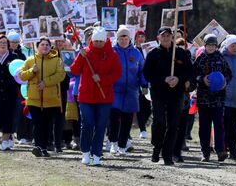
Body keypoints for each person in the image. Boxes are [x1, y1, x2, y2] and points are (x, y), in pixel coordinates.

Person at [71, 27, 121, 166]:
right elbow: (74, 70)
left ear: (105, 40)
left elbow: (116, 74)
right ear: (92, 39)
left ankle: (97, 153)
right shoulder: (85, 52)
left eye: (101, 40)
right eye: (96, 40)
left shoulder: (112, 54)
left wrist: (102, 79)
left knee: (100, 125)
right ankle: (85, 151)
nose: (99, 43)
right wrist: (80, 56)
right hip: (86, 96)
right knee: (87, 124)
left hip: (104, 97)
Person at [143, 26, 193, 166]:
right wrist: (164, 79)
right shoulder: (153, 54)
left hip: (176, 94)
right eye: (163, 36)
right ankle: (156, 147)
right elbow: (147, 74)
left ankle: (167, 154)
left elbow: (189, 71)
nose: (165, 38)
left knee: (173, 124)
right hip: (159, 93)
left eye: (168, 35)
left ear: (172, 37)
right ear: (158, 37)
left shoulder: (181, 53)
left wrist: (179, 79)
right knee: (159, 122)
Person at [19, 36, 66, 157]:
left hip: (51, 99)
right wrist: (32, 71)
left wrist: (46, 82)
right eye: (42, 45)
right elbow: (22, 76)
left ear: (50, 47)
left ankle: (44, 147)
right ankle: (39, 146)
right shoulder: (30, 60)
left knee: (47, 124)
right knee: (38, 123)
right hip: (34, 98)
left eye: (47, 45)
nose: (45, 47)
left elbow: (61, 75)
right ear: (37, 47)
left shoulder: (57, 60)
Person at [108, 26, 148, 155]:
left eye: (126, 37)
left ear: (129, 38)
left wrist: (144, 85)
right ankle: (113, 142)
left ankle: (122, 145)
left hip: (131, 91)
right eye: (121, 37)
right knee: (114, 117)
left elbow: (142, 70)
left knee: (127, 119)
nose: (123, 40)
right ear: (117, 38)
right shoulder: (112, 52)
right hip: (115, 90)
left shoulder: (136, 53)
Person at [193, 34, 232, 162]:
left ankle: (220, 150)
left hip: (218, 99)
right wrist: (201, 79)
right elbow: (193, 75)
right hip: (203, 99)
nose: (211, 47)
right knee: (204, 127)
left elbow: (228, 74)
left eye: (213, 45)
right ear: (205, 46)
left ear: (216, 46)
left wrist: (225, 81)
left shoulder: (221, 58)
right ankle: (205, 152)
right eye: (208, 45)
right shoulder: (200, 58)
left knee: (219, 125)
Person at [134, 30, 151, 139]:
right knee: (140, 105)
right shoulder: (133, 50)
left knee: (148, 108)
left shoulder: (147, 49)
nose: (141, 38)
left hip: (149, 81)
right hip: (137, 81)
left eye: (142, 36)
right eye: (138, 36)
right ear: (135, 38)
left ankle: (142, 123)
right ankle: (142, 129)